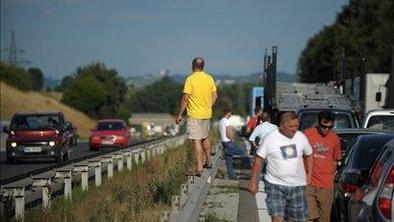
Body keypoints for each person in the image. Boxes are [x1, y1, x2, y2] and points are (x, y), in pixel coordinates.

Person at [248, 112, 313, 222]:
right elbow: (258, 159)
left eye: (296, 126)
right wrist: (253, 181)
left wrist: (309, 174)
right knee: (277, 218)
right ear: (282, 125)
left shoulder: (300, 137)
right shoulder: (271, 138)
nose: (294, 129)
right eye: (291, 126)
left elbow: (309, 154)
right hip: (275, 185)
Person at [176, 57, 218, 177]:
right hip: (206, 114)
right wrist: (208, 106)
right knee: (205, 137)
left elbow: (185, 98)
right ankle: (209, 160)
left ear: (192, 66)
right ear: (203, 66)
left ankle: (199, 167)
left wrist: (180, 114)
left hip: (194, 114)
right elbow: (215, 96)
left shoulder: (190, 79)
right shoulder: (209, 78)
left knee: (196, 140)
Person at [303, 110, 341, 222]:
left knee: (324, 218)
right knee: (308, 217)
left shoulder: (335, 139)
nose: (327, 130)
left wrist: (330, 177)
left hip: (326, 185)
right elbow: (300, 155)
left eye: (330, 127)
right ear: (318, 123)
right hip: (308, 183)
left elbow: (335, 160)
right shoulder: (307, 134)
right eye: (324, 126)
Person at [219, 108, 247, 179]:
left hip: (224, 142)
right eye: (230, 113)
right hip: (228, 142)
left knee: (229, 161)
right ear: (228, 113)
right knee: (241, 151)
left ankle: (231, 175)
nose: (231, 115)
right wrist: (232, 139)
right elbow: (228, 132)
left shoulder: (221, 121)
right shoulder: (226, 121)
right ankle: (225, 152)